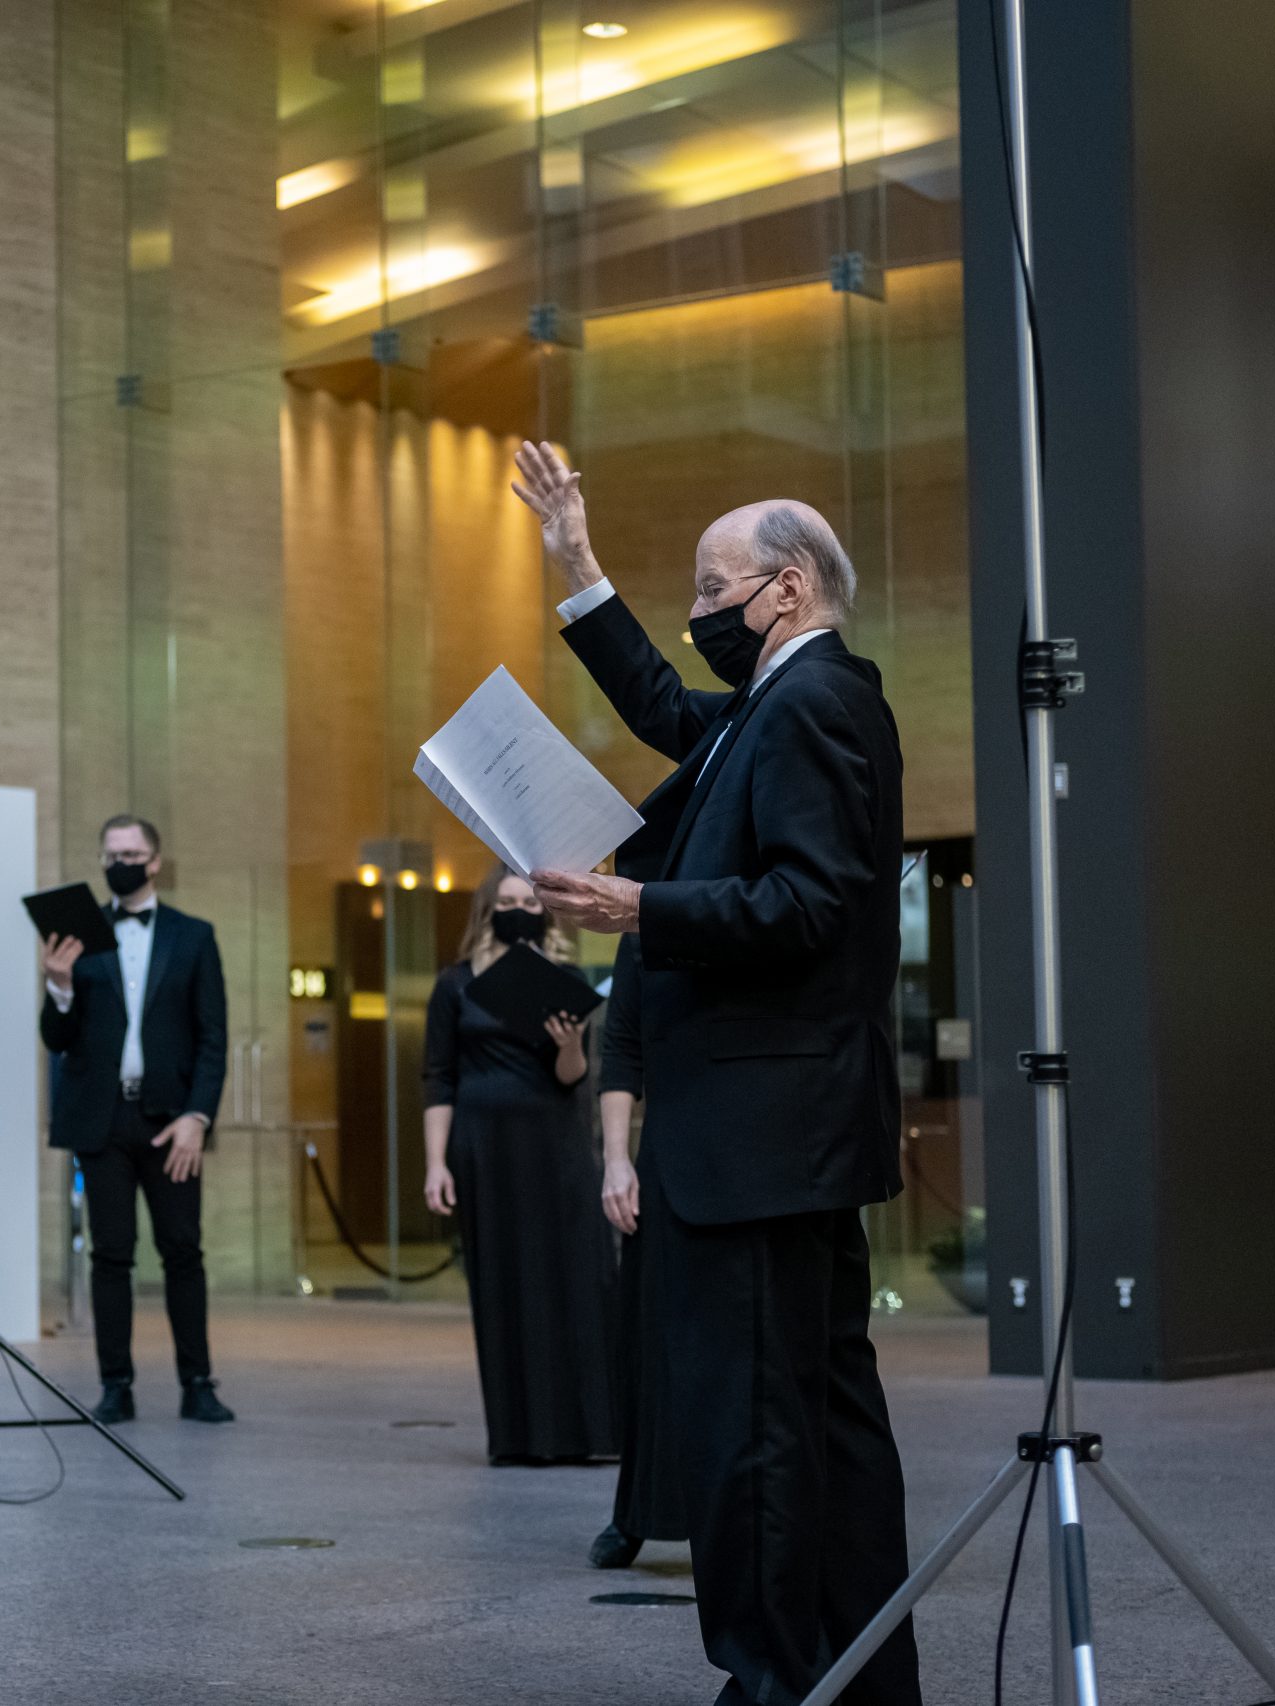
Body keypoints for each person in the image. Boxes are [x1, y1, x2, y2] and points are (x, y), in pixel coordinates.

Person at [511, 440, 921, 1706]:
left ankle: (773, 1681)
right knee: (820, 1425)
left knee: (755, 1436)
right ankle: (858, 1683)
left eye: (710, 587)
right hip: (773, 1139)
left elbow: (808, 902)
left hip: (761, 1140)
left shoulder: (815, 703)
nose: (696, 613)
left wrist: (639, 907)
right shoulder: (770, 706)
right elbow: (660, 707)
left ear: (787, 588)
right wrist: (576, 567)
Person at [420, 867, 619, 1465]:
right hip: (484, 1147)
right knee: (502, 1282)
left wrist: (568, 1045)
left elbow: (572, 1078)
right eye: (506, 902)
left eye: (529, 903)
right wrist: (435, 1164)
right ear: (488, 911)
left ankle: (586, 1433)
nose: (518, 911)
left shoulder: (565, 979)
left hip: (555, 1144)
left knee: (574, 1278)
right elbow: (438, 1078)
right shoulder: (455, 984)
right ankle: (517, 1438)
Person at [39, 814, 233, 1424]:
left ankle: (197, 1383)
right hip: (102, 1119)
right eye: (110, 854)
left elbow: (213, 1037)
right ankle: (115, 1385)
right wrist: (59, 987)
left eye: (130, 853)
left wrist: (198, 1115)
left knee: (182, 1251)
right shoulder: (79, 936)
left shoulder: (193, 936)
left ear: (154, 861)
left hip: (172, 1121)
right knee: (110, 1255)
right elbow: (57, 1038)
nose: (118, 863)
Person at [586, 934, 691, 1566]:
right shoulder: (642, 929)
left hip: (751, 1147)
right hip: (667, 1155)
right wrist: (617, 1160)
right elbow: (621, 1048)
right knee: (652, 1339)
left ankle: (739, 1514)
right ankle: (636, 1512)